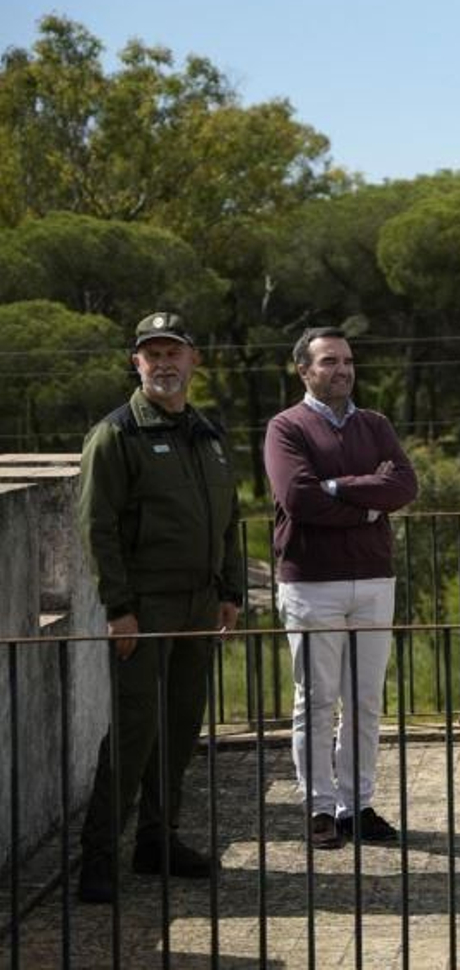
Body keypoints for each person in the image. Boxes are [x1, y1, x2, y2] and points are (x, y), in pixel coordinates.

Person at [75, 311, 245, 903]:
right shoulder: (117, 435)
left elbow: (228, 520)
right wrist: (118, 607)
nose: (165, 364)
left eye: (175, 353)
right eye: (153, 354)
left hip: (201, 603)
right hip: (144, 607)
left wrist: (230, 591)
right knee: (134, 730)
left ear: (194, 360)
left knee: (179, 728)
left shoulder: (209, 434)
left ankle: (158, 841)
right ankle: (96, 857)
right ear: (137, 363)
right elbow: (97, 528)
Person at [264, 327, 417, 850]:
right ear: (304, 370)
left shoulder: (375, 424)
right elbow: (298, 498)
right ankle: (319, 807)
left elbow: (405, 485)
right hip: (312, 583)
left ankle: (357, 804)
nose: (343, 370)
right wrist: (368, 501)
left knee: (365, 701)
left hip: (374, 580)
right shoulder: (286, 428)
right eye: (329, 361)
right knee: (317, 701)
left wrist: (338, 488)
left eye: (348, 360)